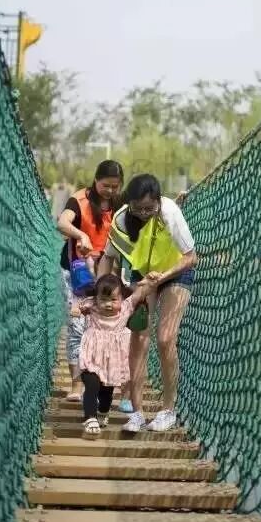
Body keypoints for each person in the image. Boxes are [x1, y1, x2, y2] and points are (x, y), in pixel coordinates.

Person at [97, 174, 198, 433]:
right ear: (128, 203)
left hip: (175, 272)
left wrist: (161, 277)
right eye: (138, 208)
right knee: (138, 338)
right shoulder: (121, 219)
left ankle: (168, 410)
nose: (143, 214)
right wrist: (99, 293)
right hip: (143, 275)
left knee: (165, 338)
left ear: (158, 202)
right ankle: (138, 413)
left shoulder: (170, 212)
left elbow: (191, 258)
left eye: (149, 208)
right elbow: (107, 259)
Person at [57, 160, 129, 405]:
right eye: (106, 185)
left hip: (107, 275)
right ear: (96, 179)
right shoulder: (79, 200)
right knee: (78, 326)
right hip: (77, 274)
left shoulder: (121, 203)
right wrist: (81, 234)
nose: (110, 191)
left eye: (115, 186)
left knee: (104, 328)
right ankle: (77, 384)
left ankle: (101, 381)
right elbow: (62, 222)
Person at [77, 274, 155, 437]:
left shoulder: (126, 307)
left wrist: (149, 281)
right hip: (92, 355)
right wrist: (76, 309)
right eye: (104, 299)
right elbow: (78, 306)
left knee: (106, 393)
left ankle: (103, 412)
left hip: (112, 360)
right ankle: (90, 418)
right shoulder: (92, 306)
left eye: (113, 300)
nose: (108, 304)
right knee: (91, 384)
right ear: (96, 298)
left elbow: (140, 293)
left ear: (121, 298)